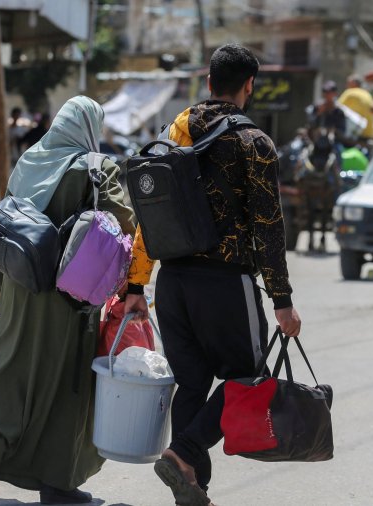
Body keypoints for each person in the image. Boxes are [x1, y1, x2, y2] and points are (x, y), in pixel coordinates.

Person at [123, 43, 301, 505]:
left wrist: (135, 283)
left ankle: (192, 488)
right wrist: (281, 299)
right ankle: (183, 455)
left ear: (207, 83)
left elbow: (150, 214)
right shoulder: (254, 144)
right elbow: (268, 228)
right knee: (251, 377)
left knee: (193, 382)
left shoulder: (176, 132)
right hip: (225, 282)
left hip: (174, 283)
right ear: (249, 85)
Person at [0, 96, 137, 505]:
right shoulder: (97, 168)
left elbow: (3, 222)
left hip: (19, 286)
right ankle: (58, 482)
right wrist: (131, 286)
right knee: (66, 383)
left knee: (10, 361)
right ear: (90, 127)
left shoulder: (29, 162)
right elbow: (124, 224)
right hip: (71, 297)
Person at [338, 74, 373, 143]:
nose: (346, 85)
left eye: (348, 83)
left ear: (354, 84)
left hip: (357, 135)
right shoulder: (367, 94)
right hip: (370, 134)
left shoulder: (349, 93)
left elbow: (337, 107)